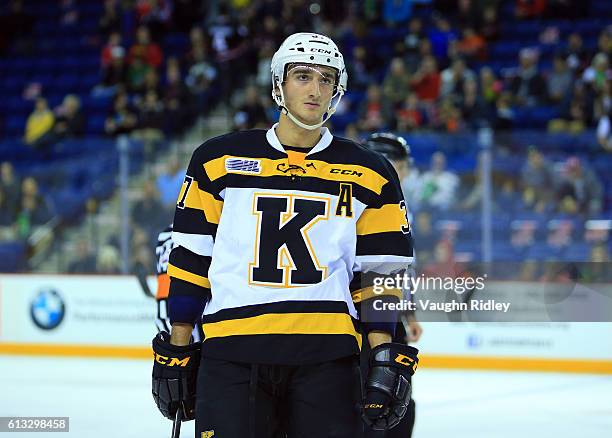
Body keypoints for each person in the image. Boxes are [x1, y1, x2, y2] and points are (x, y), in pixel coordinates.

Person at [151, 33, 419, 437]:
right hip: (232, 353)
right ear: (278, 84)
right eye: (302, 76)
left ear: (337, 91)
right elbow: (191, 260)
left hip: (327, 358)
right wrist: (179, 343)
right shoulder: (217, 160)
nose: (315, 90)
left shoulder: (372, 172)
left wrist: (381, 351)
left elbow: (379, 276)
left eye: (326, 79)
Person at [362, 133, 423, 438]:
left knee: (397, 397)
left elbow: (402, 271)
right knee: (379, 397)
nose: (405, 170)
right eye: (401, 164)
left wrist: (408, 314)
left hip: (387, 313)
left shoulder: (399, 204)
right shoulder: (366, 203)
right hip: (364, 316)